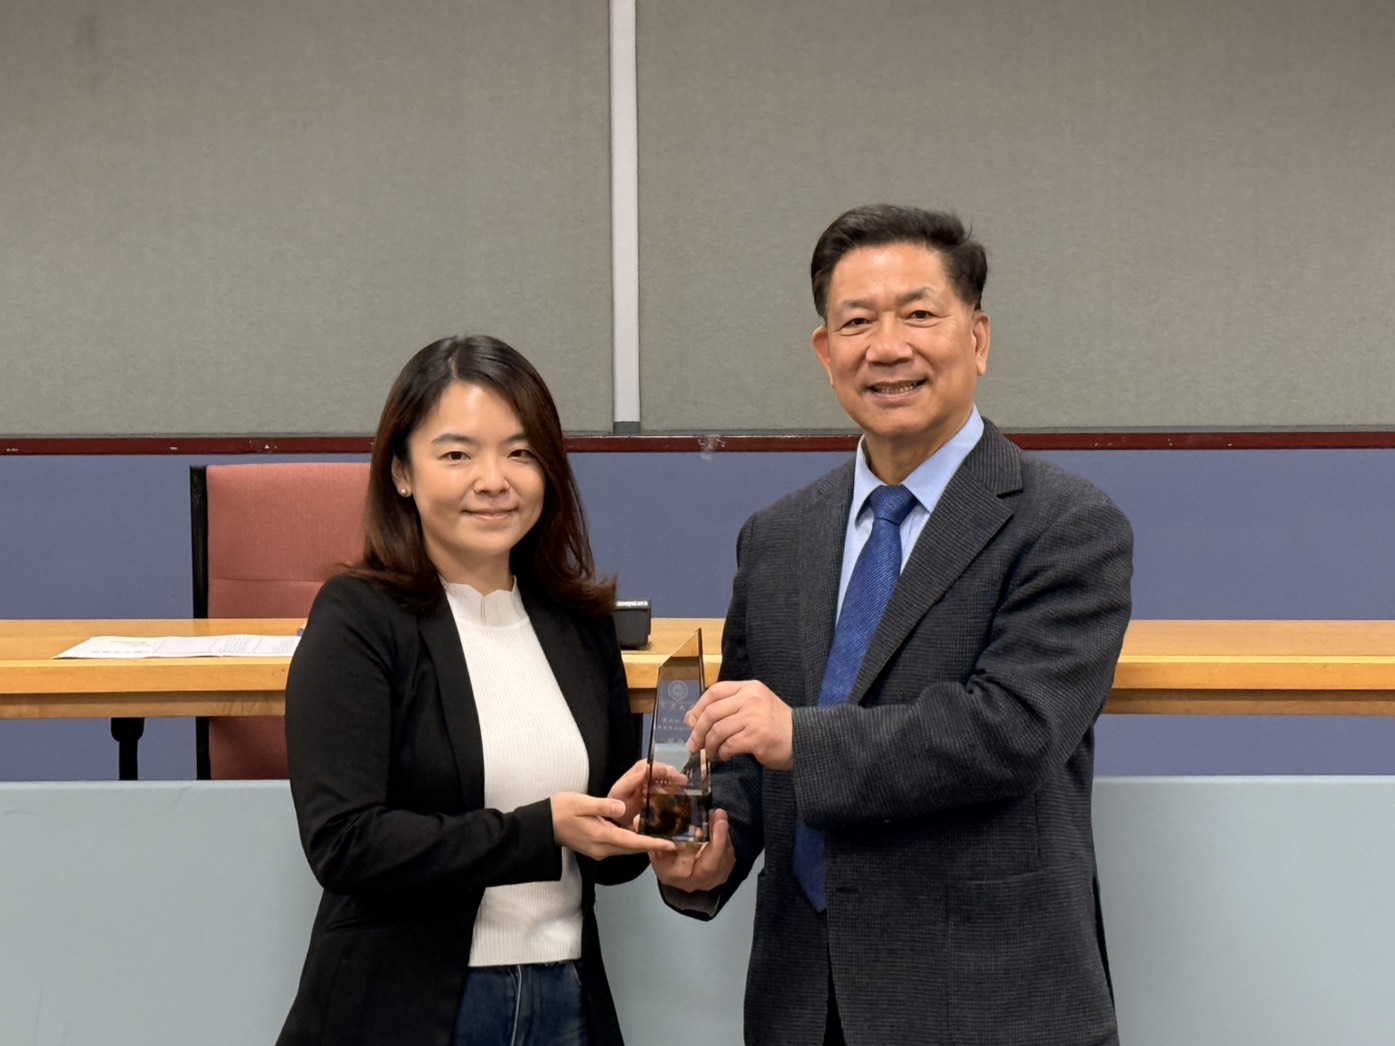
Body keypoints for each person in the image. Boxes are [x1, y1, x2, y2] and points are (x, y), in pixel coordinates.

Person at [652, 205, 1134, 1046]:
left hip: (990, 1008)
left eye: (918, 314)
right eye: (856, 323)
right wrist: (708, 842)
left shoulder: (1065, 524)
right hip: (804, 1007)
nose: (886, 347)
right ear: (824, 351)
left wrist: (799, 738)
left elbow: (1011, 731)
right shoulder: (777, 537)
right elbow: (750, 758)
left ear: (976, 339)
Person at [276, 335, 674, 1046]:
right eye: (457, 455)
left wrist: (641, 826)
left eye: (520, 453)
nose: (494, 480)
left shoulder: (580, 625)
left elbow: (604, 867)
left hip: (565, 998)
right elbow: (345, 843)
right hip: (408, 1008)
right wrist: (540, 829)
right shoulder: (359, 619)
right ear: (402, 472)